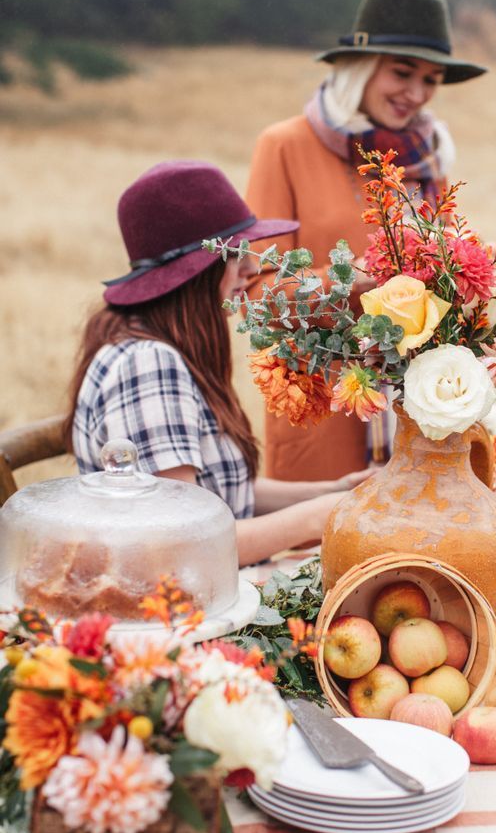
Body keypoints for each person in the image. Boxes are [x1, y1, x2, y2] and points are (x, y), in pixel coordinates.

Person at [65, 160, 368, 567]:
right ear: (191, 273)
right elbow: (181, 543)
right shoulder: (148, 364)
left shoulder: (165, 347)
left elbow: (218, 490)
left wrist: (338, 490)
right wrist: (322, 515)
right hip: (184, 612)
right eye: (234, 253)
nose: (251, 266)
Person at [246, 0, 487, 481]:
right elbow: (259, 295)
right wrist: (360, 284)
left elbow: (446, 279)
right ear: (360, 67)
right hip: (320, 404)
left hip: (414, 412)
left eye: (431, 80)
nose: (416, 93)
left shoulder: (426, 163)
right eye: (402, 72)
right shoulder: (285, 146)